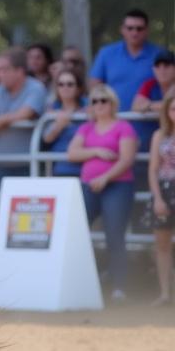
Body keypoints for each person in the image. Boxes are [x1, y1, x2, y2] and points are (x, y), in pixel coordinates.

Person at [66, 83, 138, 303]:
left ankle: (119, 286)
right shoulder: (86, 128)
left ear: (112, 104)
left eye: (103, 100)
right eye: (94, 101)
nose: (98, 105)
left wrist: (106, 177)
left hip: (118, 185)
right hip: (89, 186)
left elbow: (127, 159)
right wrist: (96, 150)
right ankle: (80, 281)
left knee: (114, 234)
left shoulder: (123, 127)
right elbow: (72, 153)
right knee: (76, 232)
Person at [0, 47, 47, 187]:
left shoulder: (36, 88)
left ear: (20, 71)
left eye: (5, 69)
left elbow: (26, 113)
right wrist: (11, 119)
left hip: (30, 166)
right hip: (3, 166)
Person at [88, 8, 160, 110]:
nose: (134, 32)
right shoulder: (106, 54)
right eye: (130, 28)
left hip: (152, 122)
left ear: (147, 30)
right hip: (114, 122)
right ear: (122, 29)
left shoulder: (160, 55)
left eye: (139, 28)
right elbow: (95, 86)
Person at [144, 87, 175, 306]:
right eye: (173, 108)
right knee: (162, 245)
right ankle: (165, 293)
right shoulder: (160, 135)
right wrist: (157, 197)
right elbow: (153, 168)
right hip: (164, 189)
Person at [41, 68, 87, 177]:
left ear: (78, 88)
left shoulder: (90, 107)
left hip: (86, 168)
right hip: (59, 168)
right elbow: (46, 139)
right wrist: (59, 125)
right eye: (61, 84)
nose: (65, 88)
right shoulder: (51, 110)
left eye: (70, 84)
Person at [131, 49, 175, 118]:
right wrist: (154, 105)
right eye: (157, 66)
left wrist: (149, 105)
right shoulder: (150, 84)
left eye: (166, 65)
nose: (162, 70)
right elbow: (136, 106)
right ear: (153, 69)